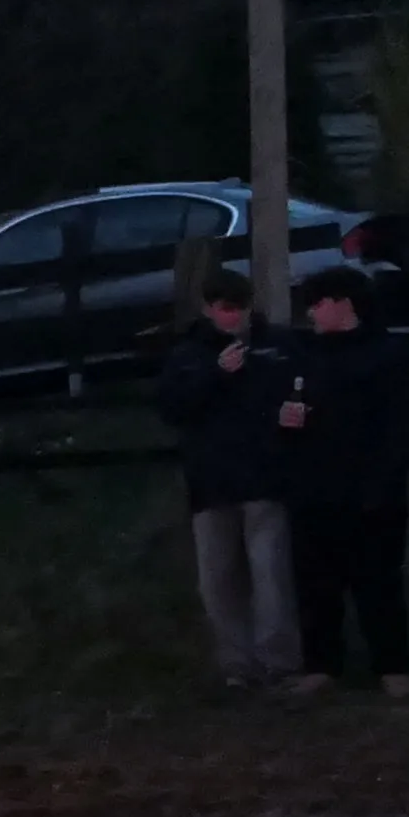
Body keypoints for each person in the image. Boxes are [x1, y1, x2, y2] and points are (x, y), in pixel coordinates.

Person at [156, 267, 306, 693]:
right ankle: (236, 664)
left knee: (270, 573)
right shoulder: (189, 353)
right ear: (208, 310)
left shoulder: (277, 346)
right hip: (211, 480)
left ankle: (278, 661)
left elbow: (302, 390)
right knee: (218, 579)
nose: (233, 318)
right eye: (225, 310)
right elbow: (172, 407)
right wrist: (215, 375)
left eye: (239, 308)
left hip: (264, 476)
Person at [281, 264, 409, 695]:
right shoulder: (304, 355)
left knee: (378, 579)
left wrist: (383, 479)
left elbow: (403, 425)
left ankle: (392, 665)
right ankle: (321, 665)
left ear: (343, 302)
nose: (311, 313)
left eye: (318, 303)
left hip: (371, 489)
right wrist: (287, 422)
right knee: (315, 583)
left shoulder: (388, 356)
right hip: (314, 486)